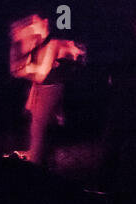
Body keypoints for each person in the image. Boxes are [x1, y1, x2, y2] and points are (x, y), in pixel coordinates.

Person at [9, 14, 85, 165]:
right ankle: (41, 159)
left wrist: (29, 68)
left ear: (45, 22)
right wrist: (29, 67)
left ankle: (36, 164)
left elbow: (42, 74)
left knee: (39, 127)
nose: (31, 23)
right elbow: (19, 70)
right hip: (41, 89)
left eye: (35, 21)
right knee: (37, 126)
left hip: (51, 89)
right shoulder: (38, 43)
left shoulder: (54, 43)